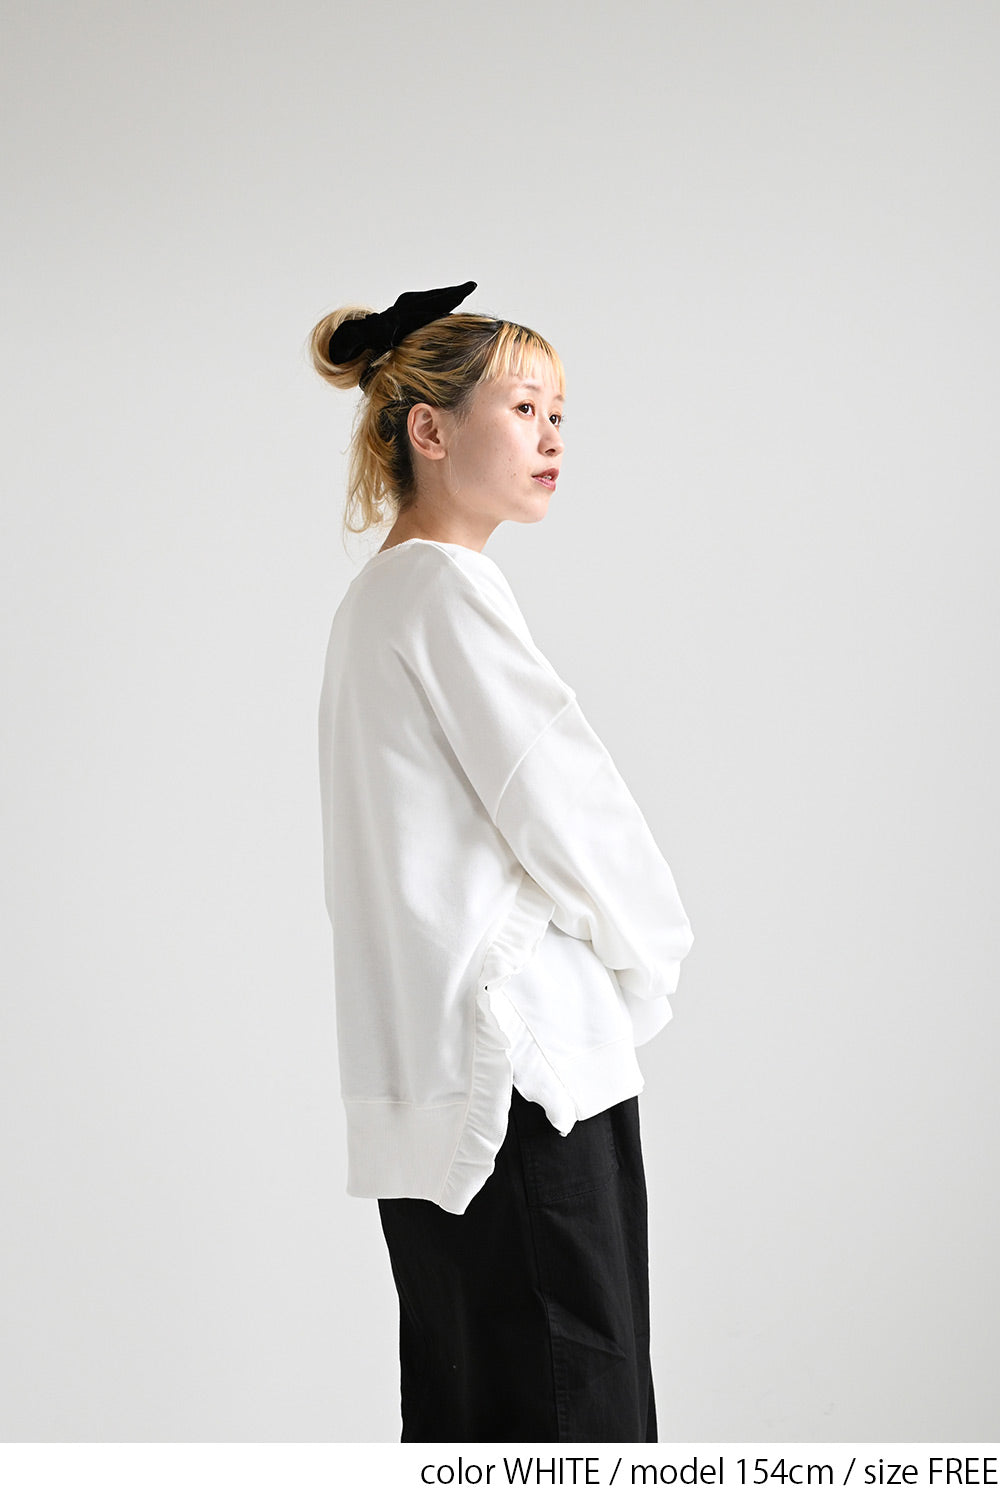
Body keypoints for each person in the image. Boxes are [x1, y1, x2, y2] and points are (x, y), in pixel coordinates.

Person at [310, 281, 695, 1443]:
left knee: (467, 1411)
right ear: (429, 430)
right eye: (523, 408)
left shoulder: (376, 601)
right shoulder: (442, 589)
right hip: (522, 1075)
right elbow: (566, 798)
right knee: (576, 1414)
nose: (551, 438)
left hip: (437, 1089)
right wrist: (651, 958)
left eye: (558, 414)